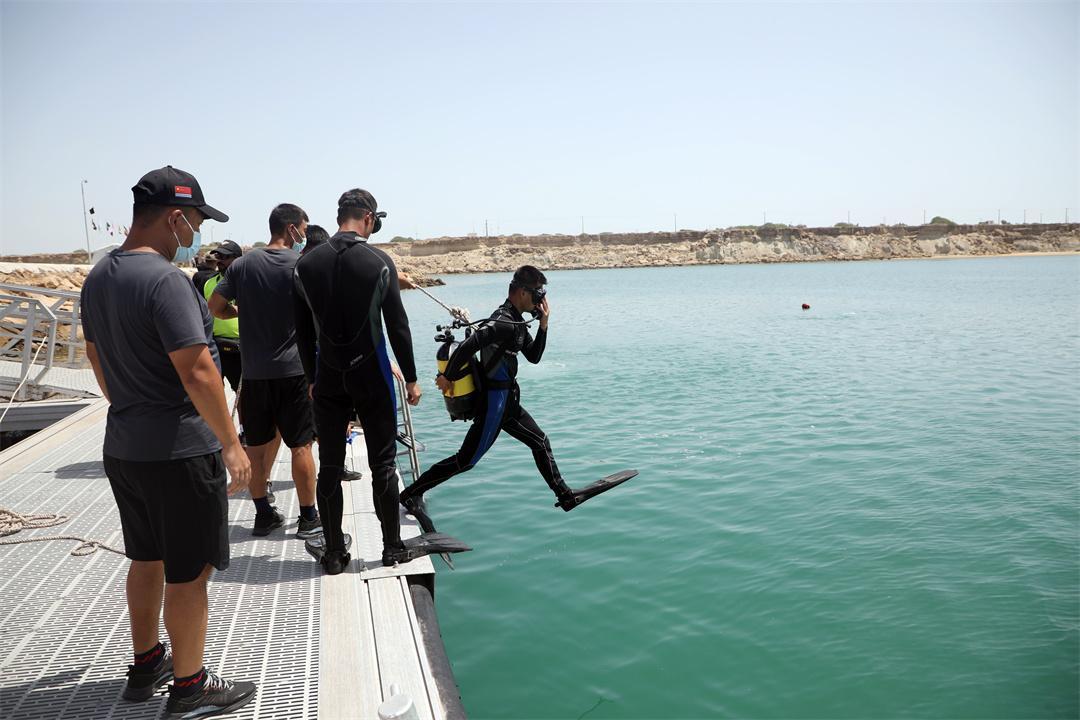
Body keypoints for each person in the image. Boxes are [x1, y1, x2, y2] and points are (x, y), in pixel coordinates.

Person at [81, 166, 256, 718]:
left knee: (145, 557)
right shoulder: (166, 281)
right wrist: (231, 444)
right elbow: (198, 371)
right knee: (189, 572)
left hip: (125, 446)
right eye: (196, 222)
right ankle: (190, 688)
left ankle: (147, 662)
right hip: (179, 452)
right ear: (176, 217)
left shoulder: (99, 276)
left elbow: (95, 357)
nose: (197, 234)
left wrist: (130, 406)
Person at [294, 189, 446, 573]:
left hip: (328, 376)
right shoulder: (379, 262)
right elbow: (398, 326)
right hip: (372, 375)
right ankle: (392, 548)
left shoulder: (306, 265)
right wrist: (411, 379)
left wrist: (311, 378)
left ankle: (333, 554)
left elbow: (302, 332)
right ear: (368, 218)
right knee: (383, 464)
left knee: (330, 465)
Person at [400, 265, 588, 513]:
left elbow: (534, 356)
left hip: (507, 402)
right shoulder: (503, 322)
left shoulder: (517, 322)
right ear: (522, 292)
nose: (540, 300)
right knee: (466, 460)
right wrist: (447, 376)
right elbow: (469, 345)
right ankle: (410, 494)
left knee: (540, 442)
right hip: (494, 404)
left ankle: (565, 495)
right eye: (537, 294)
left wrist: (544, 325)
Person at [208, 204, 320, 539]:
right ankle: (308, 518)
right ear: (291, 228)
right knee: (301, 446)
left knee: (255, 448)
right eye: (303, 229)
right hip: (294, 372)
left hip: (254, 374)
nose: (303, 235)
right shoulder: (301, 265)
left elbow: (214, 307)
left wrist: (240, 313)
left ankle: (262, 515)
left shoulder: (242, 265)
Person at [198, 240, 244, 392]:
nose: (220, 261)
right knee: (212, 392)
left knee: (244, 396)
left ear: (238, 259)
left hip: (241, 348)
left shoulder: (247, 282)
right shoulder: (209, 283)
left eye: (225, 257)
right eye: (218, 257)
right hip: (215, 347)